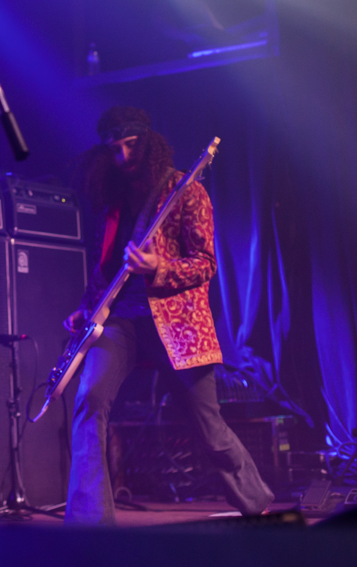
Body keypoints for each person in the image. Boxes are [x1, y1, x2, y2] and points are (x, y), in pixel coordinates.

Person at [63, 106, 273, 525]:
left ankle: (255, 499)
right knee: (88, 400)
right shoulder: (112, 200)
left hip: (175, 324)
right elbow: (106, 267)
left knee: (207, 425)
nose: (123, 156)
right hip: (120, 320)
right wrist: (86, 309)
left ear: (148, 142)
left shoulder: (186, 190)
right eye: (114, 149)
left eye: (130, 145)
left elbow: (205, 264)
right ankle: (90, 524)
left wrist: (157, 267)